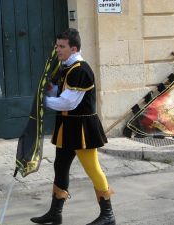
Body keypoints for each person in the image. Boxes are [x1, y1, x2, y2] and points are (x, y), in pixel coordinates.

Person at [30, 28, 116, 225]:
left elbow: (68, 103)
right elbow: (58, 92)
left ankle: (108, 215)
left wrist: (42, 102)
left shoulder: (81, 70)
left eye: (62, 46)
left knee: (93, 168)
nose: (57, 50)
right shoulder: (65, 68)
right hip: (67, 126)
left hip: (82, 128)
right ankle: (55, 213)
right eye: (57, 45)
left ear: (73, 48)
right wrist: (48, 88)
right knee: (60, 166)